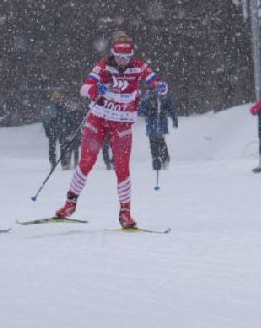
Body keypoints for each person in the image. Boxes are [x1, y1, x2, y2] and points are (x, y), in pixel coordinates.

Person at [54, 31, 169, 229]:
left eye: (126, 57)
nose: (123, 61)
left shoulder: (138, 65)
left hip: (122, 123)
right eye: (119, 57)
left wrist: (160, 86)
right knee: (86, 162)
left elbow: (153, 79)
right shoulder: (104, 65)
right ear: (113, 54)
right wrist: (96, 89)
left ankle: (125, 213)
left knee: (122, 167)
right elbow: (84, 88)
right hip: (97, 119)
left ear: (131, 55)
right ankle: (70, 203)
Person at [138, 87, 178, 171]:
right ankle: (161, 159)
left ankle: (159, 159)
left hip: (156, 123)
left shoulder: (153, 96)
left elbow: (141, 110)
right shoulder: (158, 96)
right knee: (158, 142)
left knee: (156, 142)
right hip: (156, 123)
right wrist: (174, 119)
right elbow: (171, 108)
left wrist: (174, 119)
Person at [41, 90, 68, 168]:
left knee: (63, 146)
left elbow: (65, 117)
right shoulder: (50, 108)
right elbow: (46, 120)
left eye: (60, 99)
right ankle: (52, 162)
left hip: (61, 129)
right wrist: (48, 130)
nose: (59, 100)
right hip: (53, 130)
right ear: (54, 99)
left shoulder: (63, 107)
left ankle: (64, 162)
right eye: (57, 99)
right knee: (52, 147)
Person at [59, 98, 85, 170]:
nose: (73, 106)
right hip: (69, 135)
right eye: (71, 105)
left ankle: (76, 164)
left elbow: (81, 124)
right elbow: (65, 125)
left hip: (77, 135)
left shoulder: (80, 114)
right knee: (68, 150)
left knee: (76, 149)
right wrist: (67, 135)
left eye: (75, 104)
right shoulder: (67, 114)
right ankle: (67, 164)